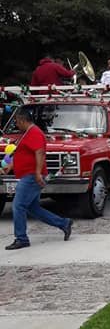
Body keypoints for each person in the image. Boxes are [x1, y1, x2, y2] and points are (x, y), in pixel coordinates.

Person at [2, 106, 73, 250]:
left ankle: (21, 238)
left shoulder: (34, 132)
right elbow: (23, 153)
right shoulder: (27, 133)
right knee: (32, 207)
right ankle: (64, 223)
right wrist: (11, 166)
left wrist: (38, 172)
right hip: (29, 174)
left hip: (31, 176)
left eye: (17, 122)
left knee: (18, 205)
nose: (17, 125)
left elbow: (39, 152)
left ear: (22, 120)